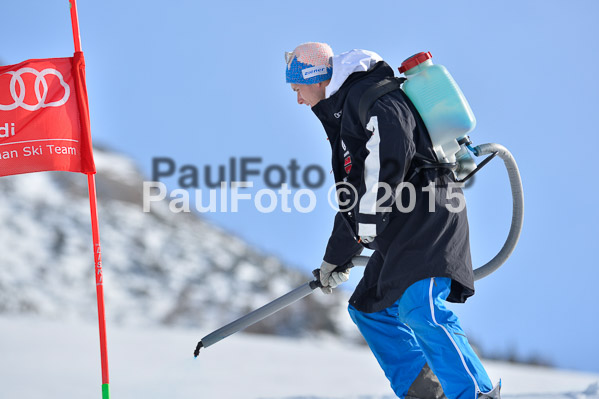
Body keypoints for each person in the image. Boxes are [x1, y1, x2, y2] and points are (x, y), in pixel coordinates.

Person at [284, 42, 502, 399]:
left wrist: (361, 231)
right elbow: (356, 194)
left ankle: (474, 394)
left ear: (315, 78)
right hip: (399, 229)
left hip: (429, 214)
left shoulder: (369, 97)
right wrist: (336, 254)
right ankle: (426, 395)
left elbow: (385, 164)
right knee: (370, 310)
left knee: (423, 308)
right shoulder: (345, 110)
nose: (297, 100)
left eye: (297, 89)